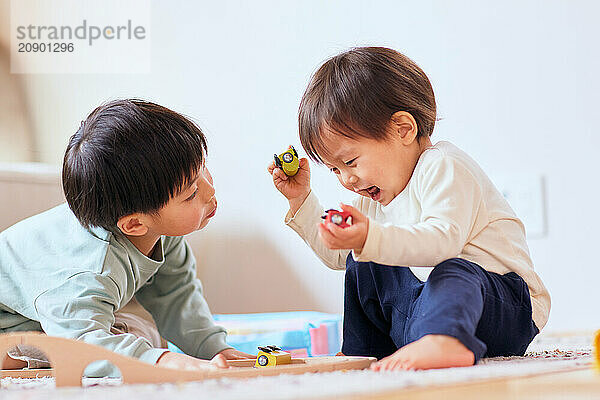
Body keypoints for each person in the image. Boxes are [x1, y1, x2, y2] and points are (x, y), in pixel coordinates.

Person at [268, 47, 550, 371]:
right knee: (363, 263)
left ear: (403, 129)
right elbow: (338, 256)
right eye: (334, 170)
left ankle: (447, 340)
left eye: (349, 162)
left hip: (505, 306)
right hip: (429, 312)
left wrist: (369, 237)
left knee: (453, 268)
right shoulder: (373, 199)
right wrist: (301, 201)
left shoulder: (443, 166)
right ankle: (366, 350)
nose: (346, 179)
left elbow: (442, 243)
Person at [0, 99, 252, 373]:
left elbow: (177, 297)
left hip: (49, 315)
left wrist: (217, 349)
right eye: (191, 194)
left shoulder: (164, 233)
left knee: (145, 335)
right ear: (133, 224)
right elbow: (83, 346)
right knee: (90, 352)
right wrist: (166, 363)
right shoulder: (89, 271)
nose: (209, 191)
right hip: (11, 324)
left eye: (202, 169)